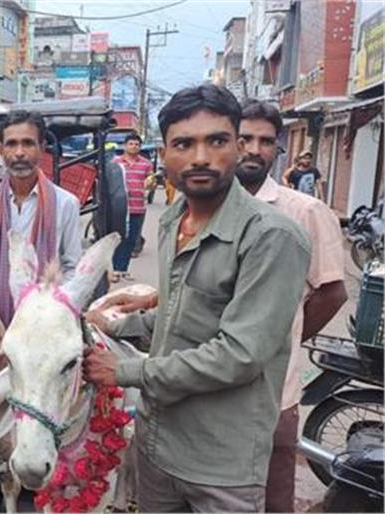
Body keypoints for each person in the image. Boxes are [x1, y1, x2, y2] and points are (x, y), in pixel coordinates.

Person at [83, 85, 310, 512]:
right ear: (164, 154)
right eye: (184, 144)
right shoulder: (172, 222)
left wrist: (127, 371)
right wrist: (111, 326)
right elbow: (174, 320)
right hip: (157, 445)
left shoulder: (271, 237)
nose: (200, 157)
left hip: (219, 464)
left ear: (236, 146)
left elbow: (239, 354)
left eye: (217, 141)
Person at [0, 110, 83, 496]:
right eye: (11, 144)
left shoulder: (64, 204)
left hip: (43, 334)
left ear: (41, 149)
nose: (19, 152)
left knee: (42, 407)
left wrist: (52, 303)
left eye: (27, 143)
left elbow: (72, 266)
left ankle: (40, 488)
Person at [236, 99, 348, 512]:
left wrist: (285, 333)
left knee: (272, 494)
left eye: (266, 141)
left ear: (278, 149)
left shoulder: (304, 211)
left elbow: (332, 291)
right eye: (245, 138)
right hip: (208, 392)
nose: (254, 149)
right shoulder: (205, 205)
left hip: (273, 390)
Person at [110, 133, 153, 282]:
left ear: (140, 147)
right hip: (119, 208)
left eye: (136, 144)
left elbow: (151, 181)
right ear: (125, 145)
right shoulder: (116, 162)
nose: (134, 146)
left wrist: (151, 183)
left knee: (131, 240)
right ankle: (114, 269)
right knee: (118, 238)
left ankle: (123, 269)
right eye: (131, 144)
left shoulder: (146, 164)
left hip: (138, 207)